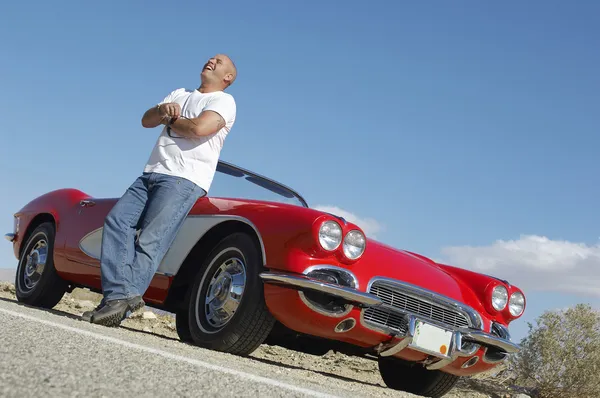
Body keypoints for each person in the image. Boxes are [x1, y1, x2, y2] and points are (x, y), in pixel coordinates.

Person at [82, 54, 238, 326]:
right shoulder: (179, 93)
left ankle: (117, 302)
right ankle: (121, 296)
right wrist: (162, 110)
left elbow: (198, 128)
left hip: (184, 179)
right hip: (152, 172)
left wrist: (167, 118)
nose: (211, 61)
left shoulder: (224, 101)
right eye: (210, 58)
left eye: (219, 62)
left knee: (151, 241)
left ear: (228, 78)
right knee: (117, 222)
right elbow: (146, 119)